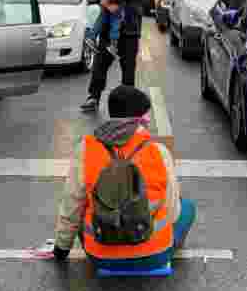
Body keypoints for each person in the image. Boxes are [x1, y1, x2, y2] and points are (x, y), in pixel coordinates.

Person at [54, 85, 196, 272]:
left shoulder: (86, 149)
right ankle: (165, 248)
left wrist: (61, 249)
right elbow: (171, 212)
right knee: (186, 208)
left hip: (101, 256)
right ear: (141, 119)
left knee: (83, 207)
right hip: (154, 255)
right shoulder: (158, 152)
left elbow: (71, 204)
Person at [80, 0, 149, 112]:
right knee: (100, 65)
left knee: (128, 69)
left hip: (130, 29)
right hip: (108, 30)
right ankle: (93, 97)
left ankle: (128, 103)